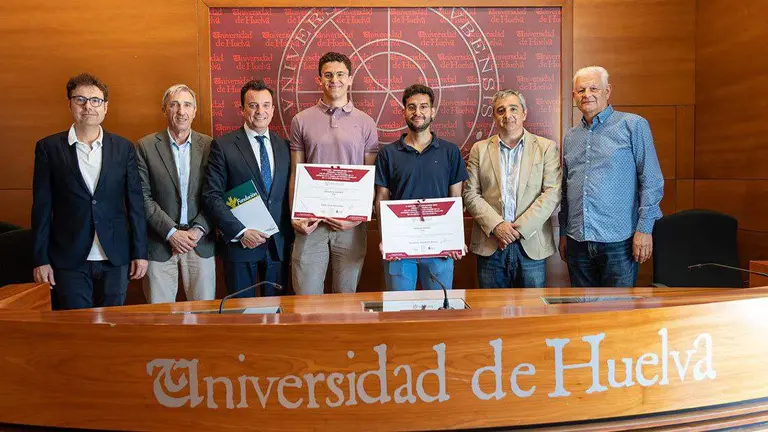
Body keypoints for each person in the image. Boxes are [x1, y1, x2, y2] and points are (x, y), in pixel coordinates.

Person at [31, 73, 147, 309]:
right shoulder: (48, 148)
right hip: (69, 258)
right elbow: (42, 208)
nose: (88, 107)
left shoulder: (123, 148)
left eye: (95, 100)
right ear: (70, 104)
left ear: (106, 107)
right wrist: (40, 259)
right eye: (80, 99)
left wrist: (140, 253)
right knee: (77, 330)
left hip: (116, 256)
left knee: (114, 327)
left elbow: (135, 203)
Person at [558, 66, 664, 287]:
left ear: (607, 91)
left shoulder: (633, 125)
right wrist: (564, 233)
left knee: (618, 312)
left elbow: (652, 180)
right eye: (581, 90)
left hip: (620, 242)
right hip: (578, 240)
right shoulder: (570, 137)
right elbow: (566, 189)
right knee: (582, 315)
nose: (587, 94)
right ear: (574, 96)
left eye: (594, 88)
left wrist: (644, 230)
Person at [289, 52, 379, 295]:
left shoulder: (367, 123)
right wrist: (295, 216)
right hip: (311, 223)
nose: (334, 80)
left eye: (340, 74)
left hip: (350, 226)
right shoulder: (301, 120)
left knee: (346, 297)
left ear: (350, 79)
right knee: (306, 298)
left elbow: (370, 176)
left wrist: (357, 218)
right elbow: (296, 172)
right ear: (319, 80)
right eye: (328, 75)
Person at [463, 89, 561, 288]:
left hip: (531, 246)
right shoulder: (479, 149)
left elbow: (552, 193)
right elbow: (470, 193)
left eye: (513, 109)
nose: (508, 115)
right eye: (501, 110)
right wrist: (498, 226)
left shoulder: (546, 147)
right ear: (494, 116)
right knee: (491, 313)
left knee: (532, 314)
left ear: (524, 113)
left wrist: (518, 230)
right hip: (491, 244)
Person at [202, 79, 292, 297]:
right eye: (253, 105)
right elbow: (211, 195)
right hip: (240, 246)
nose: (260, 111)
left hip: (277, 247)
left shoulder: (285, 146)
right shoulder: (223, 145)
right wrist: (240, 231)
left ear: (272, 109)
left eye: (266, 105)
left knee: (277, 316)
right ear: (242, 109)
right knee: (241, 316)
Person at [374, 84, 468, 291]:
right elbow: (381, 199)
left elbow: (456, 199)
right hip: (399, 247)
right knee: (399, 310)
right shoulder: (388, 154)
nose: (418, 112)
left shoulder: (450, 152)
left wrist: (456, 239)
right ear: (404, 112)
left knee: (439, 314)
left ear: (433, 112)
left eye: (424, 107)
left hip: (439, 247)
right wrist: (386, 239)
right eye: (412, 107)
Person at [136, 84, 215, 303]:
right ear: (164, 110)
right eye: (174, 104)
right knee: (160, 320)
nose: (181, 111)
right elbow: (142, 196)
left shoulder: (209, 146)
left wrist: (198, 230)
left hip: (199, 242)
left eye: (187, 105)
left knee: (204, 316)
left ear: (195, 111)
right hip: (160, 243)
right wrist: (171, 233)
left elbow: (216, 194)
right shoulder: (145, 146)